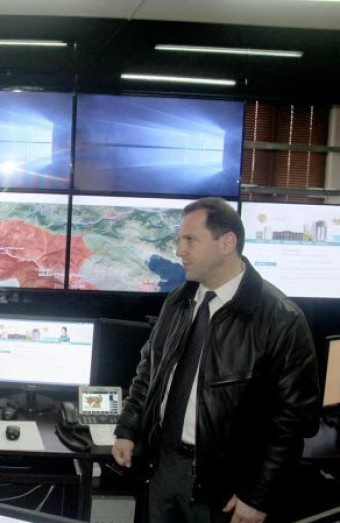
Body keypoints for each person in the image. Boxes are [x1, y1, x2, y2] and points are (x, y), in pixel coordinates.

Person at [112, 197, 320, 523]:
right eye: (179, 240)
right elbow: (149, 371)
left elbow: (292, 422)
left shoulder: (280, 319)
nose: (179, 251)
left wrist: (257, 495)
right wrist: (127, 429)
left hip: (224, 485)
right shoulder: (179, 301)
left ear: (227, 243)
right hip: (162, 467)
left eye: (190, 240)